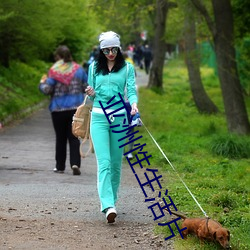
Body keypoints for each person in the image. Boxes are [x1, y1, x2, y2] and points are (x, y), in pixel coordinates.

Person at [85, 31, 138, 223]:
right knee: (104, 162)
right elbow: (91, 97)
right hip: (98, 118)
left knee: (116, 164)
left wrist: (133, 104)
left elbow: (131, 90)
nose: (110, 53)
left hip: (120, 119)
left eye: (114, 49)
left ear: (119, 48)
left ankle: (112, 201)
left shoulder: (127, 68)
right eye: (106, 50)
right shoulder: (93, 68)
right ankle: (107, 205)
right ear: (101, 50)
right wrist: (90, 92)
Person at [39, 45, 88, 175]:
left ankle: (60, 166)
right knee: (74, 137)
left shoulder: (54, 71)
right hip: (75, 109)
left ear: (58, 57)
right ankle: (75, 163)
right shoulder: (79, 70)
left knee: (60, 138)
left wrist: (42, 83)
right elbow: (86, 87)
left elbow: (47, 90)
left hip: (58, 109)